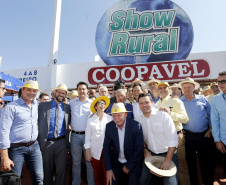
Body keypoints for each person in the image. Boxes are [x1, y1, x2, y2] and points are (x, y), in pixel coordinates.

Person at [0, 80, 43, 184]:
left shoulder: (37, 105)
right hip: (16, 148)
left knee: (39, 178)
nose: (31, 92)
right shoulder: (11, 107)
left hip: (35, 146)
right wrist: (4, 157)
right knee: (13, 180)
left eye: (34, 90)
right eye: (28, 90)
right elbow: (3, 132)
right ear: (22, 90)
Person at [179, 77, 215, 185]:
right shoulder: (179, 101)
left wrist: (210, 129)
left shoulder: (202, 99)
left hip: (204, 135)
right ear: (182, 89)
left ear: (194, 87)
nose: (187, 89)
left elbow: (211, 115)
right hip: (188, 137)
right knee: (191, 164)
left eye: (189, 87)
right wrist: (181, 129)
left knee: (206, 163)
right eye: (185, 87)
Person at [137, 93, 178, 185]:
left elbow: (173, 139)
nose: (144, 105)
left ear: (152, 102)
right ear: (138, 104)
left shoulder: (163, 116)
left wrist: (167, 160)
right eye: (141, 103)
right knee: (143, 181)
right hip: (151, 156)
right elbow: (140, 138)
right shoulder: (138, 119)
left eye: (147, 102)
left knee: (171, 183)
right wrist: (145, 150)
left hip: (168, 155)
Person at [155, 82, 190, 185]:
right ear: (158, 90)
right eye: (160, 88)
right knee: (167, 166)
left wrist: (170, 114)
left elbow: (185, 119)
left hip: (176, 136)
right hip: (162, 139)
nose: (162, 89)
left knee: (181, 165)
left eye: (165, 87)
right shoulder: (156, 104)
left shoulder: (176, 102)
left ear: (169, 89)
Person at [38, 83, 71, 185]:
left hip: (61, 143)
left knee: (62, 171)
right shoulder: (42, 106)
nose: (62, 95)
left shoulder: (67, 107)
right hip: (46, 143)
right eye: (60, 92)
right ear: (54, 93)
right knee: (47, 171)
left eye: (64, 93)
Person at [103, 103, 144, 185]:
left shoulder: (136, 126)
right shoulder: (109, 126)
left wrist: (129, 166)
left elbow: (139, 149)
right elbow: (106, 149)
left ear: (126, 114)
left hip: (133, 161)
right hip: (117, 162)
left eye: (119, 115)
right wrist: (108, 169)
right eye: (114, 116)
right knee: (110, 182)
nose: (116, 118)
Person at [70, 81, 95, 185]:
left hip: (88, 137)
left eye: (83, 89)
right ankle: (76, 183)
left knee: (89, 163)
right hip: (75, 136)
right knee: (75, 163)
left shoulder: (92, 104)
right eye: (79, 89)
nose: (81, 91)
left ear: (87, 90)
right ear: (77, 90)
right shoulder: (71, 103)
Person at [84, 96, 112, 185]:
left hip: (108, 151)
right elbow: (87, 137)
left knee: (108, 174)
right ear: (95, 106)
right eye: (99, 103)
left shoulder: (110, 118)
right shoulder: (90, 119)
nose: (102, 105)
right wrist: (87, 152)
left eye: (103, 103)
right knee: (97, 175)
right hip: (95, 151)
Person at [211, 71, 226, 172]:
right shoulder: (215, 99)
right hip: (224, 141)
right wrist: (217, 140)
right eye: (218, 82)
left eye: (223, 82)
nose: (220, 85)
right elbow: (215, 121)